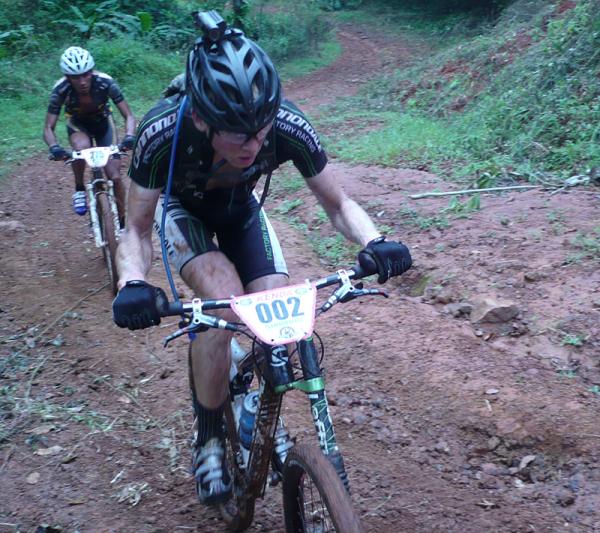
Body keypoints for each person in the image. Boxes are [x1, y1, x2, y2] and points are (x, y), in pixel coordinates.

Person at [112, 13, 412, 506]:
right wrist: (132, 283)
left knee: (276, 307)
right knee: (224, 302)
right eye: (239, 134)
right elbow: (136, 230)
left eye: (261, 130)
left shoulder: (286, 124)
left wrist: (376, 240)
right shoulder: (162, 133)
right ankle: (210, 435)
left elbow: (338, 203)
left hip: (241, 210)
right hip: (183, 210)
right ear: (201, 119)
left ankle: (253, 403)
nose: (254, 145)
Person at [43, 46, 136, 224]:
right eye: (75, 77)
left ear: (92, 71)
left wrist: (130, 135)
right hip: (78, 124)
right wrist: (54, 147)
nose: (82, 81)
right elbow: (48, 127)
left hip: (103, 123)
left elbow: (129, 115)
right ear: (67, 77)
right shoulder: (61, 89)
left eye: (86, 75)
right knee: (80, 148)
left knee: (115, 176)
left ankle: (123, 222)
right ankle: (79, 188)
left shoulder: (105, 82)